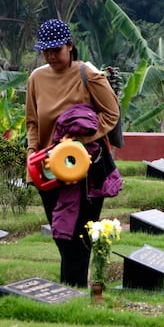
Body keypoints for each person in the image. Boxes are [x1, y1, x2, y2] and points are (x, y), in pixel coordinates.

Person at [25, 19, 121, 288]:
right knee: (60, 233)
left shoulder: (88, 75)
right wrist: (31, 156)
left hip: (86, 171)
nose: (51, 55)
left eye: (56, 49)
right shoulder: (36, 78)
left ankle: (72, 292)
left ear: (70, 46)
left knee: (78, 235)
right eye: (46, 51)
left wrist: (81, 138)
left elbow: (111, 113)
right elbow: (32, 122)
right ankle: (71, 289)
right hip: (48, 170)